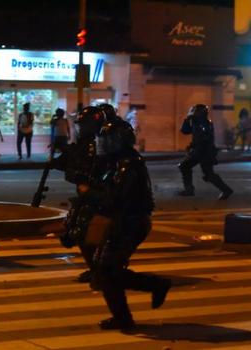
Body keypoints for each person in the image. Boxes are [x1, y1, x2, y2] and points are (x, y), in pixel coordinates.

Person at [76, 108, 171, 330]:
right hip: (122, 221)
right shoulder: (116, 162)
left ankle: (151, 290)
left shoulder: (128, 164)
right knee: (107, 271)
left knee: (108, 271)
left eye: (109, 140)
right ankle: (129, 311)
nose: (105, 144)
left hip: (131, 222)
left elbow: (114, 197)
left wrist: (88, 192)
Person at [54, 106, 106, 284]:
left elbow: (92, 171)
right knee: (78, 233)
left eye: (84, 125)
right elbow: (67, 164)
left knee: (87, 235)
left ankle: (101, 272)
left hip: (98, 197)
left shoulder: (100, 145)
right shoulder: (83, 144)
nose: (81, 128)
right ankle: (96, 270)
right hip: (85, 196)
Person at [178, 104, 233, 200]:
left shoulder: (204, 123)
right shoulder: (197, 122)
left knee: (191, 168)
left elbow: (204, 138)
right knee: (192, 169)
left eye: (195, 111)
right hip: (200, 151)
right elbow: (185, 131)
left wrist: (194, 148)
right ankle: (189, 190)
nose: (193, 113)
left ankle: (226, 190)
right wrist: (187, 118)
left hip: (204, 152)